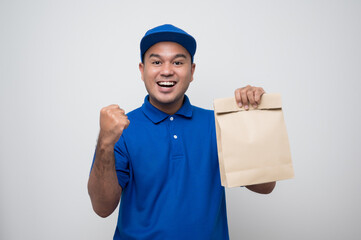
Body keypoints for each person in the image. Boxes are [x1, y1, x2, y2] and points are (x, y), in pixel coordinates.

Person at [88, 24, 276, 240]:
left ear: (192, 71)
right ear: (142, 70)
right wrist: (104, 143)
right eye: (156, 62)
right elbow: (102, 208)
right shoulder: (120, 128)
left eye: (178, 62)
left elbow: (265, 185)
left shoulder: (217, 123)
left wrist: (253, 117)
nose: (167, 71)